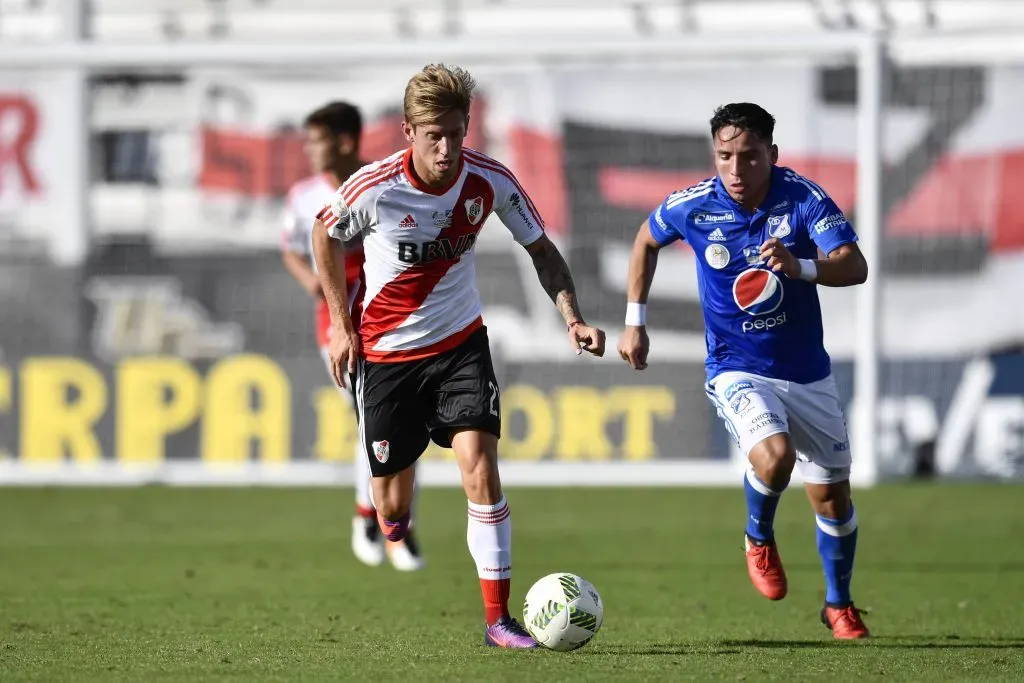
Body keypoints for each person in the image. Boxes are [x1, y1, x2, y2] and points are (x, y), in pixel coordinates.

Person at [311, 63, 606, 648]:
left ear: (467, 126)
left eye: (455, 133)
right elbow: (323, 234)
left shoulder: (490, 180)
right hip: (388, 357)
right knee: (391, 504)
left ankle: (498, 620)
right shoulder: (374, 187)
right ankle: (392, 517)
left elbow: (542, 251)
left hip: (460, 346)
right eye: (433, 136)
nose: (446, 149)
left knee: (481, 467)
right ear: (408, 132)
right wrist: (343, 328)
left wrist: (572, 316)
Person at [616, 102, 870, 639]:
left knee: (833, 499)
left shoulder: (803, 198)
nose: (735, 169)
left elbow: (854, 264)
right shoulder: (695, 205)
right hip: (736, 368)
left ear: (771, 155)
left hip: (806, 372)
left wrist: (800, 266)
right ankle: (758, 537)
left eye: (749, 156)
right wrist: (634, 321)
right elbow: (645, 240)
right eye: (724, 156)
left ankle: (838, 603)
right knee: (774, 458)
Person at [280, 101, 423, 571]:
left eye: (316, 140)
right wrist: (310, 280)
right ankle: (372, 519)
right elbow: (290, 247)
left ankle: (395, 527)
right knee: (378, 420)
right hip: (339, 326)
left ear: (343, 142)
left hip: (390, 318)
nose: (309, 150)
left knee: (404, 420)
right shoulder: (303, 196)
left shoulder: (377, 187)